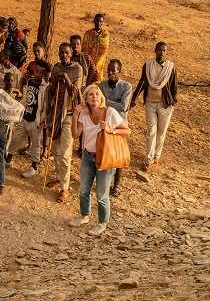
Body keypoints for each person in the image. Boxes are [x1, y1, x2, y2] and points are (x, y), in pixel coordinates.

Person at [69, 84, 129, 237]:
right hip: (88, 156)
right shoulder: (84, 114)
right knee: (84, 190)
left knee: (102, 194)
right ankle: (84, 216)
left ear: (101, 97)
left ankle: (102, 223)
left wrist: (110, 129)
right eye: (90, 95)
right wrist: (75, 116)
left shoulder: (110, 112)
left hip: (105, 157)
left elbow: (127, 130)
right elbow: (76, 135)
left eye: (96, 94)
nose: (94, 97)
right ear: (86, 99)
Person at [40, 42, 85, 203]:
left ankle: (65, 188)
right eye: (61, 52)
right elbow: (51, 90)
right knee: (56, 150)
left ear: (71, 53)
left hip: (68, 115)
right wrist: (53, 83)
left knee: (65, 153)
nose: (63, 55)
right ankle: (60, 177)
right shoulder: (57, 67)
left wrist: (65, 78)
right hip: (55, 113)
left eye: (66, 52)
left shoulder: (77, 69)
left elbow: (74, 93)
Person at [131, 42, 177, 172]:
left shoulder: (171, 67)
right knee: (151, 131)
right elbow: (142, 82)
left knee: (161, 131)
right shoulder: (148, 65)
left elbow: (174, 86)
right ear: (155, 50)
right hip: (150, 103)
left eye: (164, 51)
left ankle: (157, 155)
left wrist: (174, 101)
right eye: (160, 50)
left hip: (165, 105)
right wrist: (134, 98)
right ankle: (148, 159)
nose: (162, 53)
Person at [10, 42, 52, 179]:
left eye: (41, 72)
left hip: (36, 120)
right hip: (25, 116)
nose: (38, 74)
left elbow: (45, 106)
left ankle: (34, 166)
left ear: (45, 74)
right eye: (36, 71)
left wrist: (43, 119)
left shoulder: (46, 87)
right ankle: (8, 158)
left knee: (35, 144)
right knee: (16, 138)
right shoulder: (29, 82)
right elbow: (25, 96)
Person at [99, 59, 132, 196]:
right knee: (104, 151)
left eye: (114, 70)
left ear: (120, 71)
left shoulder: (126, 87)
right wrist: (114, 103)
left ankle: (117, 185)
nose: (110, 72)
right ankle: (103, 182)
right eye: (109, 70)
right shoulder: (102, 85)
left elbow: (124, 106)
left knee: (119, 154)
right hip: (104, 122)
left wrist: (106, 102)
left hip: (119, 124)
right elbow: (99, 104)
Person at [82, 13, 110, 82]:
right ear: (94, 21)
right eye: (97, 21)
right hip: (87, 63)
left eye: (101, 21)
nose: (98, 23)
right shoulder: (88, 33)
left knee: (97, 84)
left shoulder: (105, 35)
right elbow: (84, 48)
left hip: (99, 64)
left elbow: (104, 49)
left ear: (102, 23)